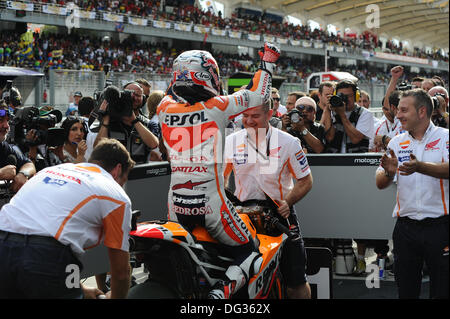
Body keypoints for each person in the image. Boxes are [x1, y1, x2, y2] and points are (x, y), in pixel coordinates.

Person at [157, 42, 281, 299]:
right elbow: (258, 94)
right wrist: (267, 60)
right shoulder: (217, 106)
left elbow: (172, 90)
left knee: (176, 257)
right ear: (208, 75)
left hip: (175, 205)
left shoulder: (163, 108)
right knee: (253, 252)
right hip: (212, 204)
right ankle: (220, 294)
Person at [0, 138, 135, 299]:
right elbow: (121, 273)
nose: (121, 186)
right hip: (46, 255)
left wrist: (80, 289)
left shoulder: (51, 171)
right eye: (123, 181)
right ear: (117, 170)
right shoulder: (115, 194)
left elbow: (42, 230)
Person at [224, 100, 313, 299]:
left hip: (279, 214)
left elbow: (306, 180)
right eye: (245, 116)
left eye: (255, 116)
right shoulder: (231, 140)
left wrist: (288, 203)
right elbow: (221, 178)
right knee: (240, 279)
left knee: (296, 281)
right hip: (243, 216)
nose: (248, 121)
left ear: (269, 113)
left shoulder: (289, 142)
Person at [375, 88, 449, 299]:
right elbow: (380, 182)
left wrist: (420, 167)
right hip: (405, 228)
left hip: (440, 227)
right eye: (398, 110)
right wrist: (389, 172)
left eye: (404, 110)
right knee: (406, 291)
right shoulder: (397, 142)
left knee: (442, 291)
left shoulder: (445, 137)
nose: (398, 115)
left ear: (422, 111)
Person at [93, 81, 159, 164]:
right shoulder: (110, 122)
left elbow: (153, 144)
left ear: (143, 99)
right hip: (115, 173)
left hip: (140, 173)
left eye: (138, 95)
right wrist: (106, 121)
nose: (134, 98)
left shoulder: (148, 124)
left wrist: (135, 121)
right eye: (129, 94)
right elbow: (97, 148)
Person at [322, 79, 374, 153]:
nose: (345, 99)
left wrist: (342, 115)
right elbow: (329, 137)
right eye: (341, 95)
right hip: (335, 160)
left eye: (349, 96)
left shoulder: (365, 114)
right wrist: (327, 109)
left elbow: (355, 139)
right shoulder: (333, 112)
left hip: (356, 160)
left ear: (356, 96)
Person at [0, 102, 35, 193]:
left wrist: (23, 174)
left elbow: (29, 164)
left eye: (7, 120)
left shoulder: (3, 147)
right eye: (0, 120)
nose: (6, 126)